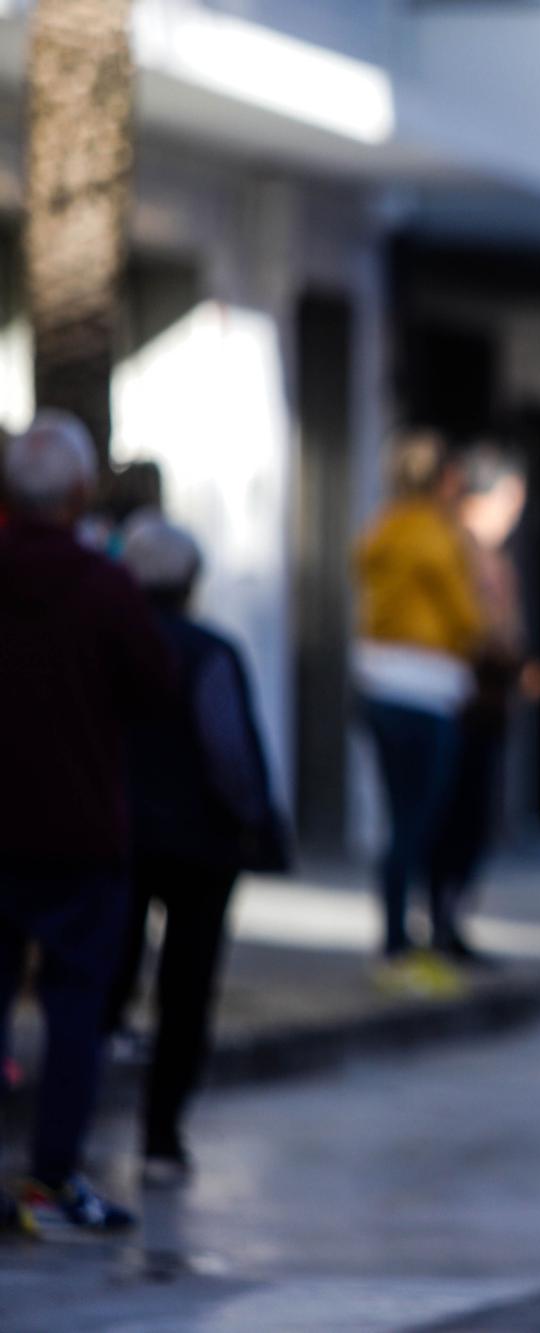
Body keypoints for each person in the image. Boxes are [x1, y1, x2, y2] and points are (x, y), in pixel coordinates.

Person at [0, 411, 172, 1236]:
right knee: (76, 1007)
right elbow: (154, 692)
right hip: (77, 824)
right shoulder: (106, 587)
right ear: (78, 492)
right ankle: (52, 1176)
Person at [108, 519, 289, 1186]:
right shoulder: (208, 650)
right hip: (199, 843)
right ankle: (161, 1136)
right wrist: (254, 818)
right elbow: (230, 755)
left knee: (107, 980)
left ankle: (74, 1132)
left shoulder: (111, 646)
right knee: (185, 991)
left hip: (121, 833)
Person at [353, 431, 484, 997]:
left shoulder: (381, 528)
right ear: (443, 481)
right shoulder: (437, 535)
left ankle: (394, 939)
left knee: (399, 819)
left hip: (378, 681)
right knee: (420, 821)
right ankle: (403, 945)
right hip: (427, 687)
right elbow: (465, 616)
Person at [427, 446, 540, 966]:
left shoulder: (495, 558)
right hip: (459, 702)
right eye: (508, 501)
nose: (514, 514)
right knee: (449, 817)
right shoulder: (458, 551)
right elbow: (475, 629)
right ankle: (436, 923)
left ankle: (450, 921)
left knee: (473, 819)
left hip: (490, 704)